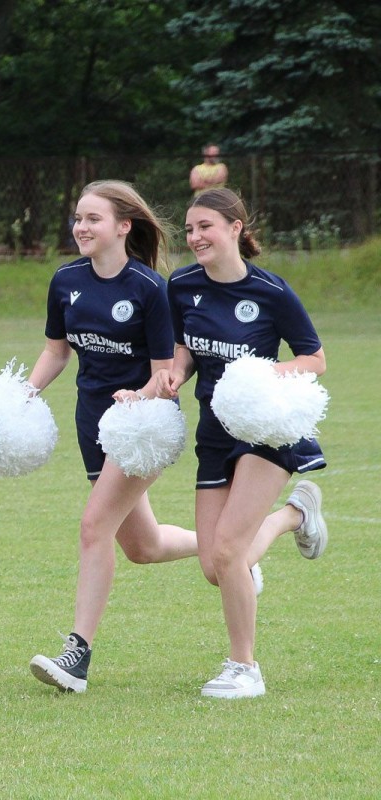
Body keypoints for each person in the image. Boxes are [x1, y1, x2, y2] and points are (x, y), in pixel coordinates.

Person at [25, 180, 204, 693]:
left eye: (93, 219)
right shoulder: (66, 280)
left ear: (124, 226)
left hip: (142, 427)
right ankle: (229, 552)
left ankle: (77, 656)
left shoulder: (149, 289)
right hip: (92, 424)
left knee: (93, 526)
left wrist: (138, 396)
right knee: (143, 546)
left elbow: (165, 374)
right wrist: (25, 392)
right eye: (78, 218)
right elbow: (57, 351)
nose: (81, 227)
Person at [157, 188, 328, 699]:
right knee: (216, 567)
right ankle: (293, 516)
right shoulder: (182, 285)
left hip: (265, 431)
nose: (195, 237)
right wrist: (175, 374)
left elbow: (314, 359)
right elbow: (184, 347)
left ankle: (244, 668)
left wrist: (262, 375)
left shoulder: (271, 292)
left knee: (230, 551)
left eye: (205, 226)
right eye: (190, 229)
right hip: (214, 433)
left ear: (235, 228)